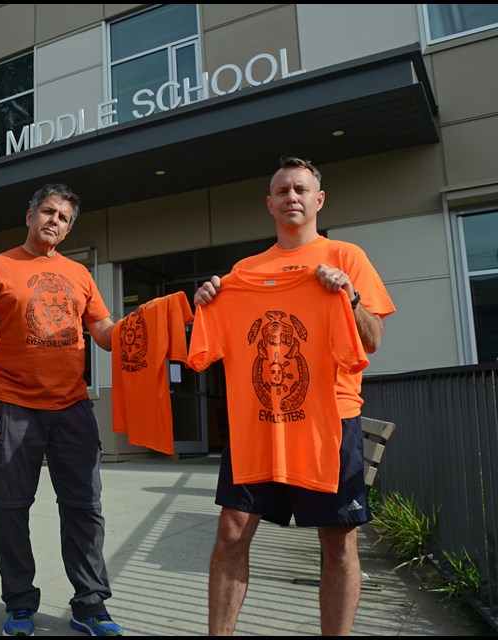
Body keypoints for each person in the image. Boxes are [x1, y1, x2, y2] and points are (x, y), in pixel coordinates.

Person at [193, 156, 395, 635]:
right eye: (283, 191)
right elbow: (208, 347)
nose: (292, 198)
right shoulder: (244, 272)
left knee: (337, 541)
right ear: (270, 203)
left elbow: (372, 340)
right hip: (260, 424)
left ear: (318, 199)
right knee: (231, 533)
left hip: (330, 421)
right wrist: (207, 302)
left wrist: (349, 297)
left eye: (301, 190)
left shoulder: (347, 258)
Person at [0, 184, 123, 637]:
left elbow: (105, 332)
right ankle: (19, 604)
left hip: (72, 406)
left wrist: (145, 321)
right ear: (30, 215)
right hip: (14, 405)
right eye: (49, 212)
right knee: (11, 508)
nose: (55, 221)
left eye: (64, 217)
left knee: (84, 508)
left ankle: (90, 604)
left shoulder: (79, 274)